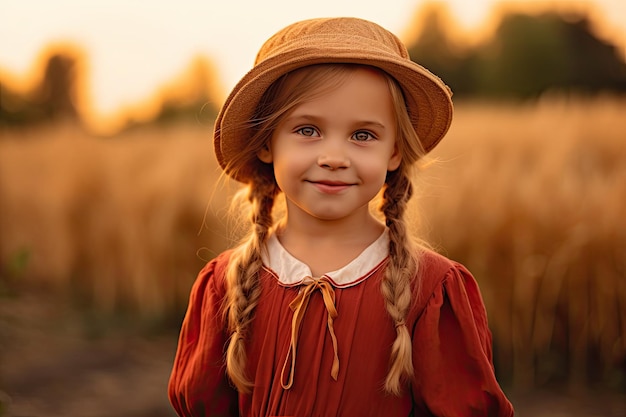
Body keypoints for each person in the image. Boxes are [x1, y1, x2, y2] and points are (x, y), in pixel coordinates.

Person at [168, 17, 514, 417]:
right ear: (267, 144)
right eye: (308, 130)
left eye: (363, 135)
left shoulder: (430, 289)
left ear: (395, 152)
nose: (334, 157)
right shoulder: (225, 286)